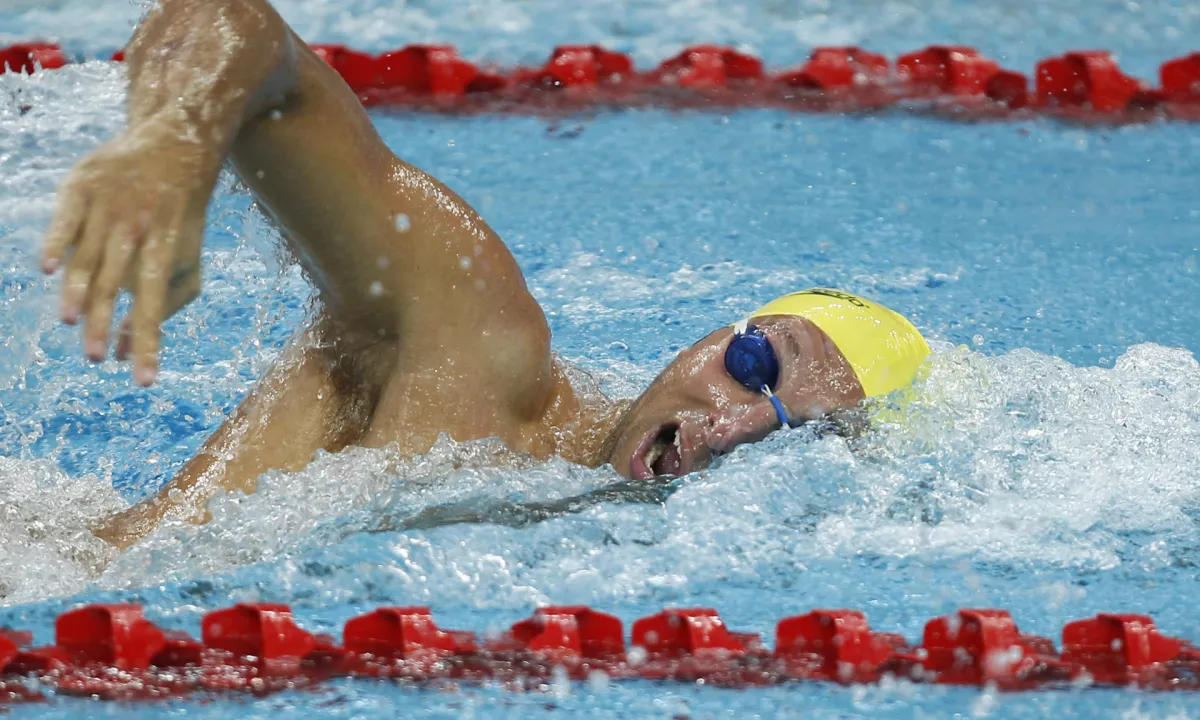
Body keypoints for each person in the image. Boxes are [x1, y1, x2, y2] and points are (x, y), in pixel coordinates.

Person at [39, 0, 930, 550]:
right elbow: (235, 23)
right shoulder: (480, 346)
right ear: (713, 335)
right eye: (751, 367)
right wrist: (176, 143)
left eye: (793, 436)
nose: (729, 429)